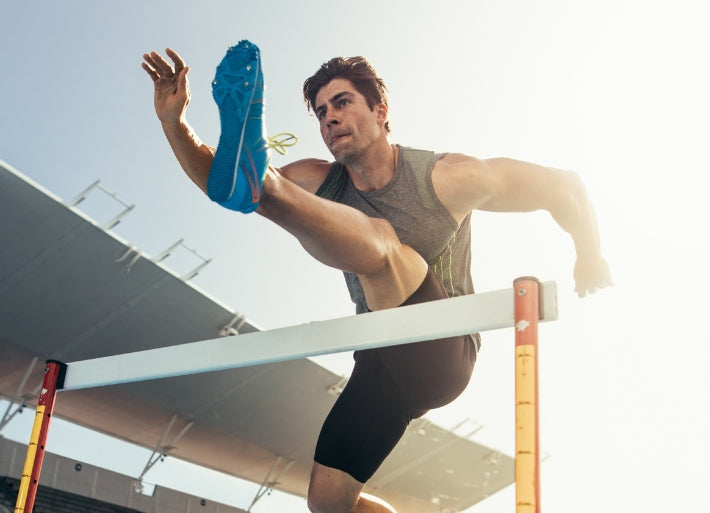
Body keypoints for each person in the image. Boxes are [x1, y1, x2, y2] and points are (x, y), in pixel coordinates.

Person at [142, 42, 612, 513]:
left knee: (385, 246)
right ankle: (263, 185)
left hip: (443, 349)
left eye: (342, 103)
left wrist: (589, 256)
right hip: (380, 363)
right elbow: (221, 182)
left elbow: (563, 185)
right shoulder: (318, 178)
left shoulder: (445, 178)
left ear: (381, 111)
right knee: (329, 505)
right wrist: (173, 122)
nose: (329, 119)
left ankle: (264, 185)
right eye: (321, 112)